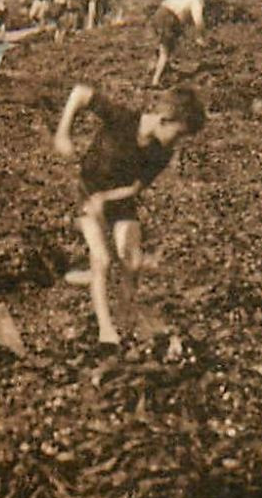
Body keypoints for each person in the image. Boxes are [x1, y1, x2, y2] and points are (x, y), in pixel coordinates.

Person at [53, 83, 206, 345]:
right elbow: (79, 93)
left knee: (132, 261)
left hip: (119, 200)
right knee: (101, 260)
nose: (177, 142)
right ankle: (106, 330)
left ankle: (125, 319)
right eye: (177, 134)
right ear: (164, 119)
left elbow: (135, 187)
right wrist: (62, 134)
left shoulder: (162, 151)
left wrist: (107, 198)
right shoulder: (121, 118)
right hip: (88, 193)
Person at [151, 0, 206, 86]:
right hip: (169, 18)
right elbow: (198, 21)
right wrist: (199, 37)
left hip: (159, 13)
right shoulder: (197, 2)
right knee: (165, 51)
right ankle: (155, 80)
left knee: (166, 47)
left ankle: (159, 67)